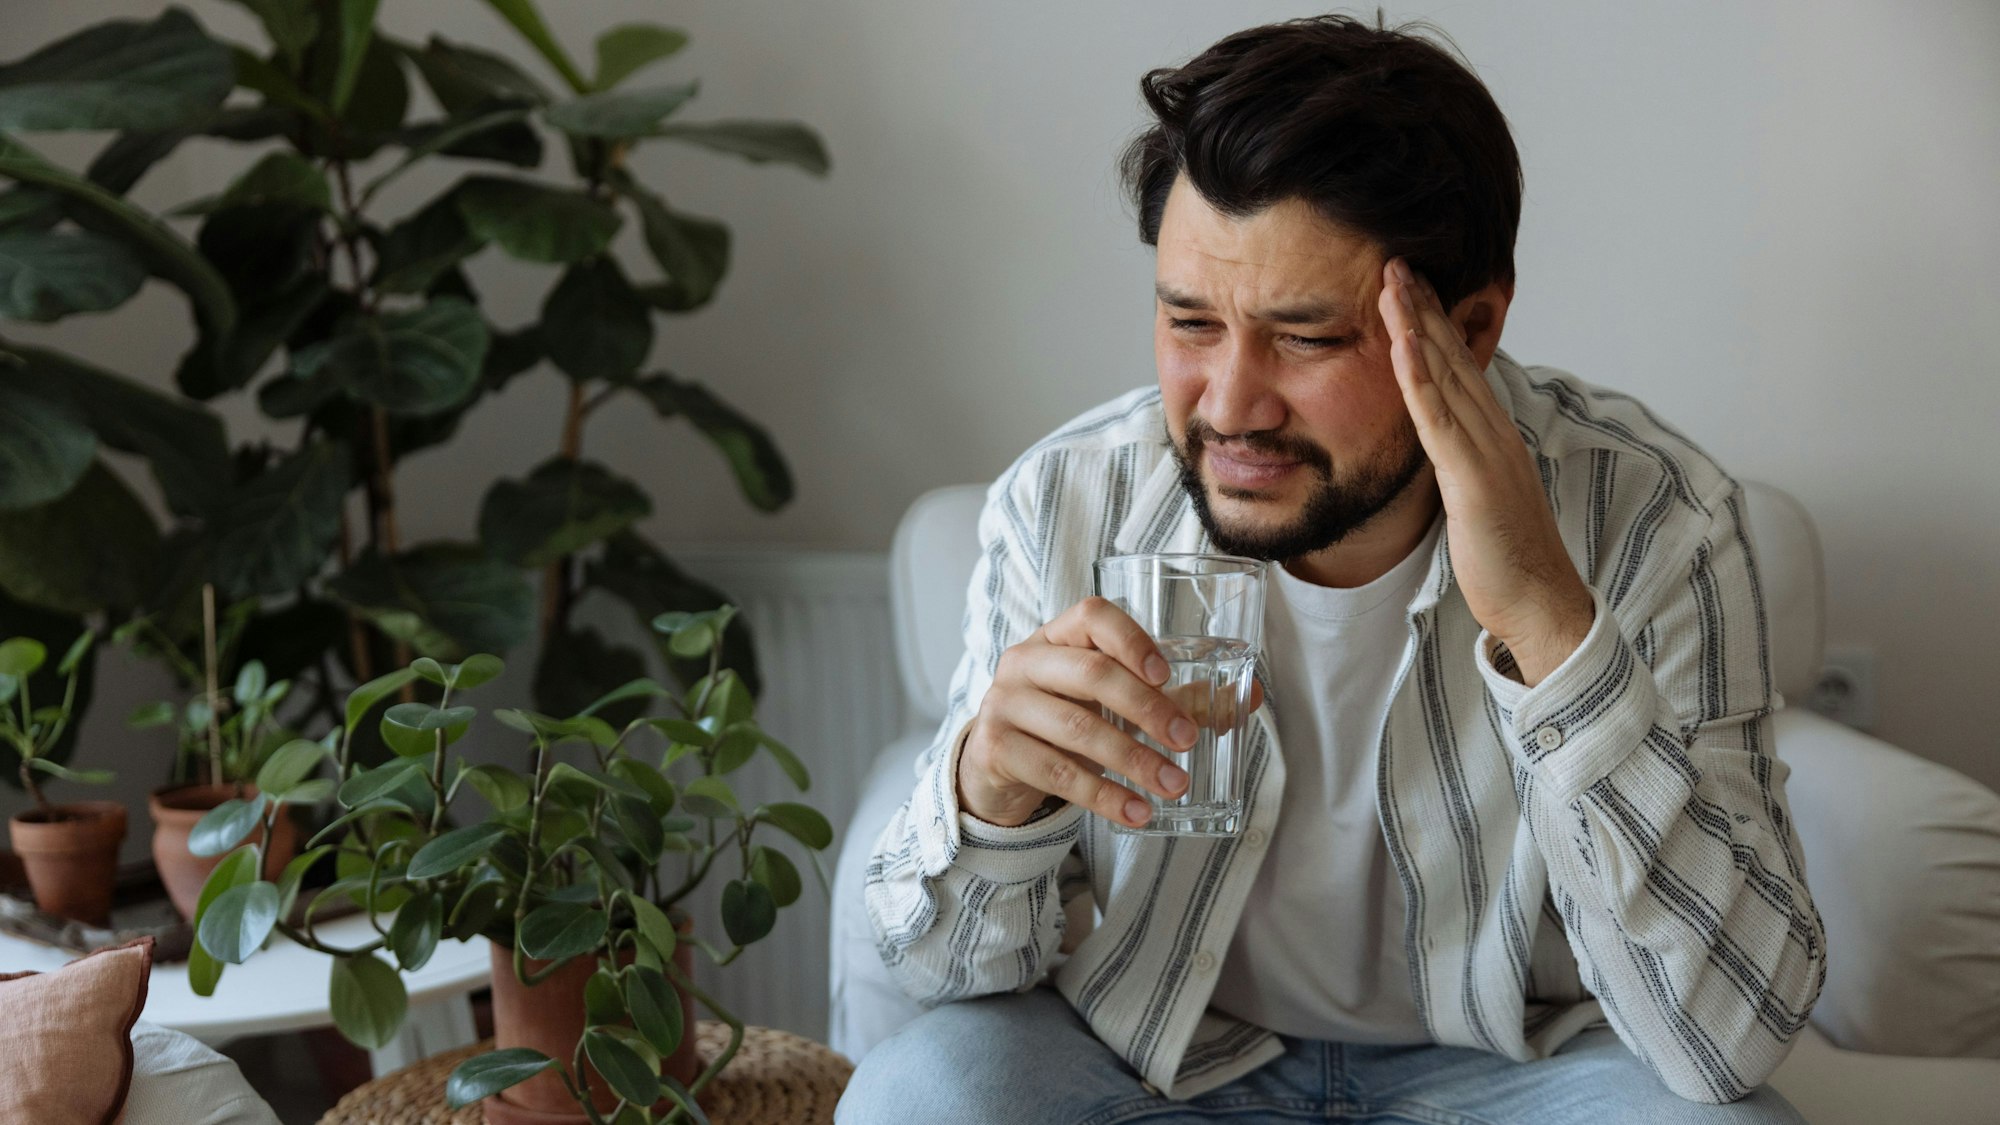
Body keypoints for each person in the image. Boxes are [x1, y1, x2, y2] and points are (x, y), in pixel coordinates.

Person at [839, 14, 1822, 1124]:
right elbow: (938, 980)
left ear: (1472, 326)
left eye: (1304, 339)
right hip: (1153, 1054)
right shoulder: (1067, 505)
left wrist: (1551, 624)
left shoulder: (1653, 521)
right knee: (917, 1097)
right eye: (1189, 321)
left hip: (1520, 1070)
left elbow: (1729, 1043)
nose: (1228, 406)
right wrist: (993, 795)